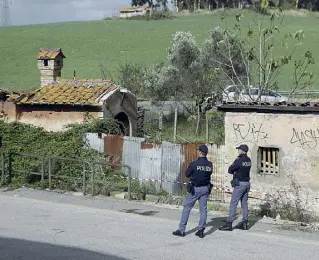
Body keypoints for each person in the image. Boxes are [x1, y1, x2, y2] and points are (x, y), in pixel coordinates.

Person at [172, 145, 213, 238]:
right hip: (205, 189)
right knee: (203, 210)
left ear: (199, 152)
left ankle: (181, 230)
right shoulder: (210, 164)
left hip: (195, 189)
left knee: (187, 208)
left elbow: (187, 174)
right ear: (206, 153)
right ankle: (201, 230)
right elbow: (209, 173)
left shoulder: (194, 164)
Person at [219, 144, 251, 231]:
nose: (238, 151)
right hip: (247, 183)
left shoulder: (239, 160)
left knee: (233, 202)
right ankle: (245, 223)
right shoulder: (249, 160)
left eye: (239, 149)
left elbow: (230, 170)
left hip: (240, 184)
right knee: (244, 203)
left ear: (242, 151)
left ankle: (229, 223)